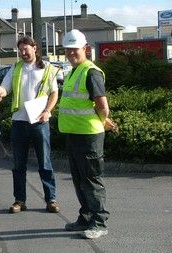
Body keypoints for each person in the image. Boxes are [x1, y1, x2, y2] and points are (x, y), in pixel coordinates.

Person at [58, 29, 116, 239]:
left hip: (89, 136)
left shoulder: (91, 72)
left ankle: (99, 221)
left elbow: (102, 105)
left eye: (75, 49)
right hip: (75, 134)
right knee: (79, 179)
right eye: (68, 50)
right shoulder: (75, 70)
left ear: (85, 49)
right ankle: (86, 216)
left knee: (91, 179)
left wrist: (103, 120)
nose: (71, 53)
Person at [0, 36, 60, 214]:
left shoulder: (47, 69)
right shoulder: (16, 68)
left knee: (45, 163)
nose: (23, 53)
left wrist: (47, 111)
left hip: (40, 122)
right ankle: (20, 200)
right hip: (19, 122)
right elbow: (5, 89)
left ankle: (51, 199)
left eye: (26, 49)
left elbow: (54, 94)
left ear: (35, 48)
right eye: (20, 50)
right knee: (19, 165)